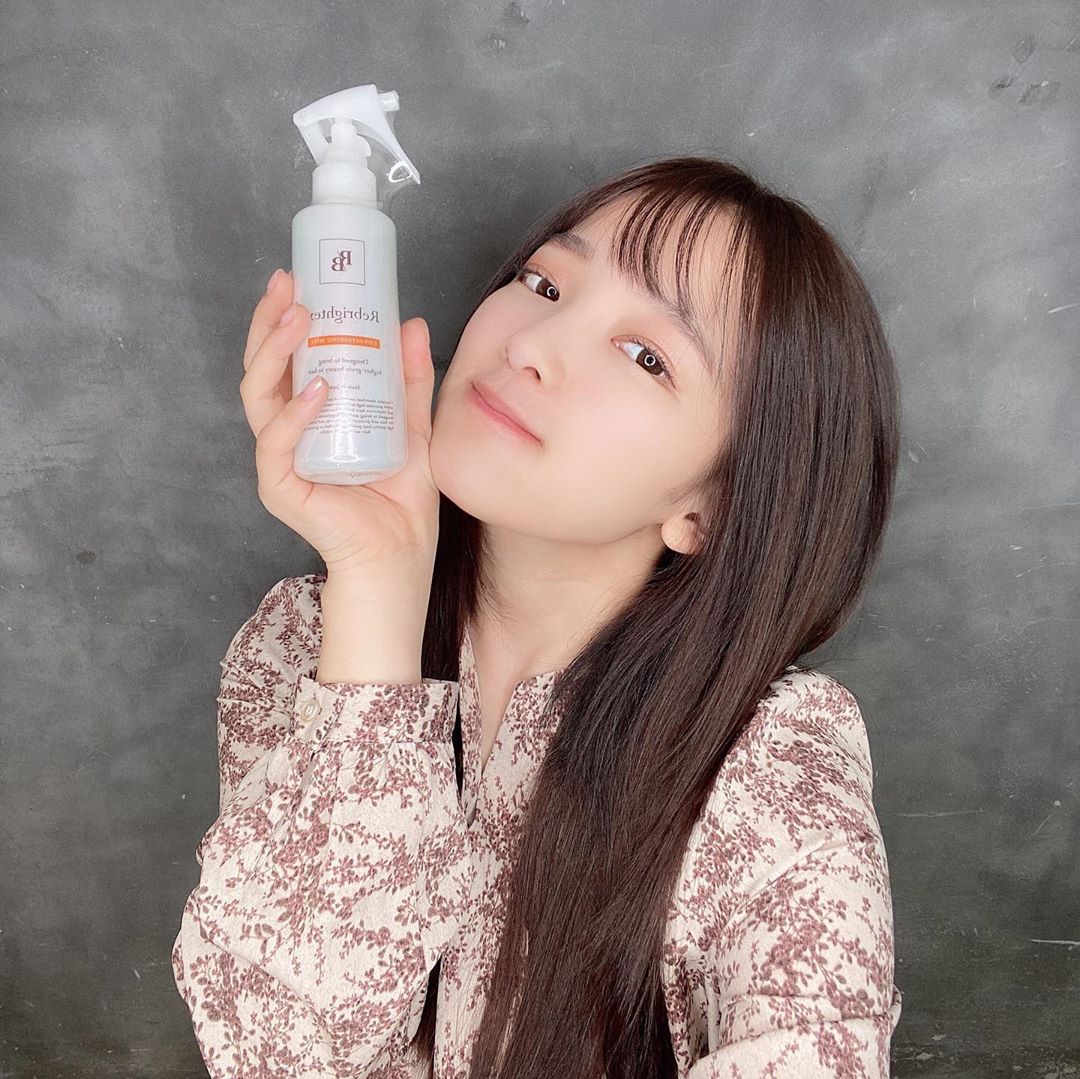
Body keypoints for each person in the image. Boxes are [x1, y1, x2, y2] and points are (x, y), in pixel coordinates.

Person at [172, 155, 904, 1078]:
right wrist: (378, 588)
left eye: (647, 356)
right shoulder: (301, 646)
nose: (534, 343)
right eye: (545, 283)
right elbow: (276, 1050)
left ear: (709, 508)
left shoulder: (772, 764)